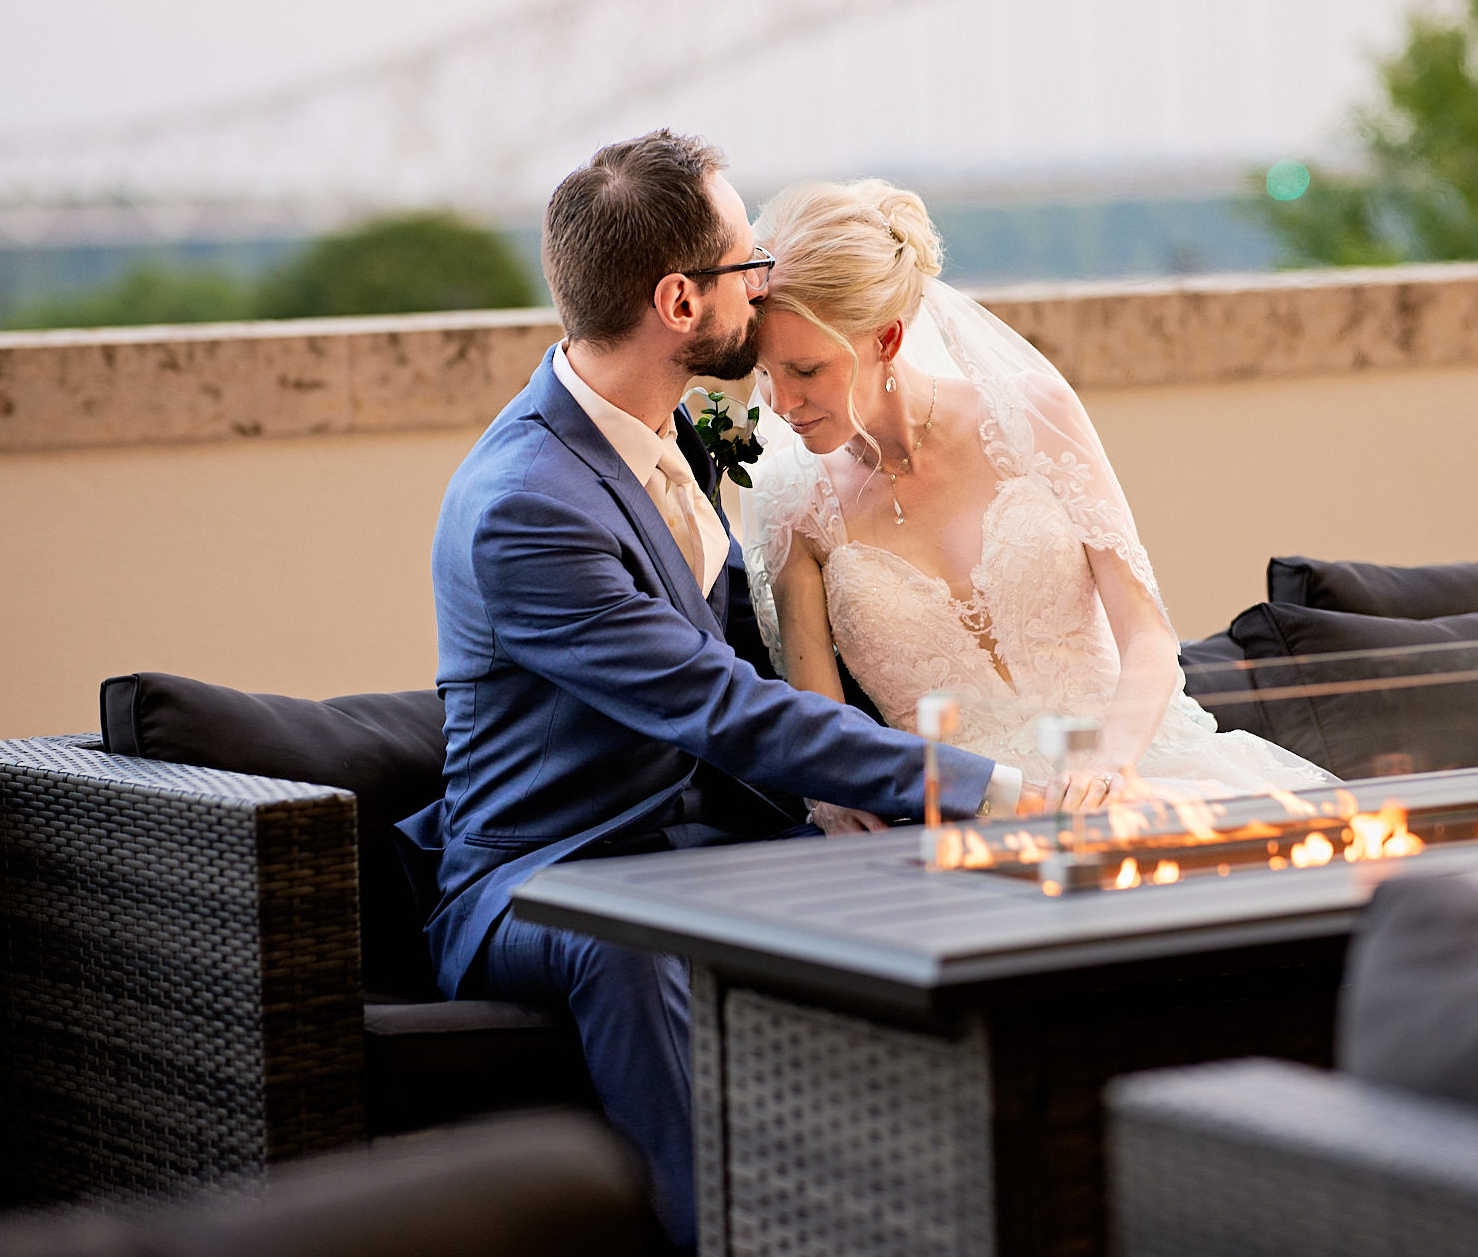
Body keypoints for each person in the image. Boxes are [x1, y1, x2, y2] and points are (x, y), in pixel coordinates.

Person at [395, 134, 1030, 1255]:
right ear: (679, 301)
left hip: (697, 837)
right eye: (747, 261)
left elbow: (743, 655)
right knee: (637, 941)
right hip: (549, 868)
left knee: (922, 875)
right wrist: (998, 786)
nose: (765, 278)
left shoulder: (671, 428)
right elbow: (720, 705)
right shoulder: (527, 505)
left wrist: (848, 795)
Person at [744, 179, 1335, 832]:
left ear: (886, 340)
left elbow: (1147, 633)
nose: (780, 403)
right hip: (960, 819)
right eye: (764, 371)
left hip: (1133, 771)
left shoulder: (1032, 417)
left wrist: (1109, 769)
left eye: (806, 371)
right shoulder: (790, 499)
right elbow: (821, 726)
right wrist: (835, 799)